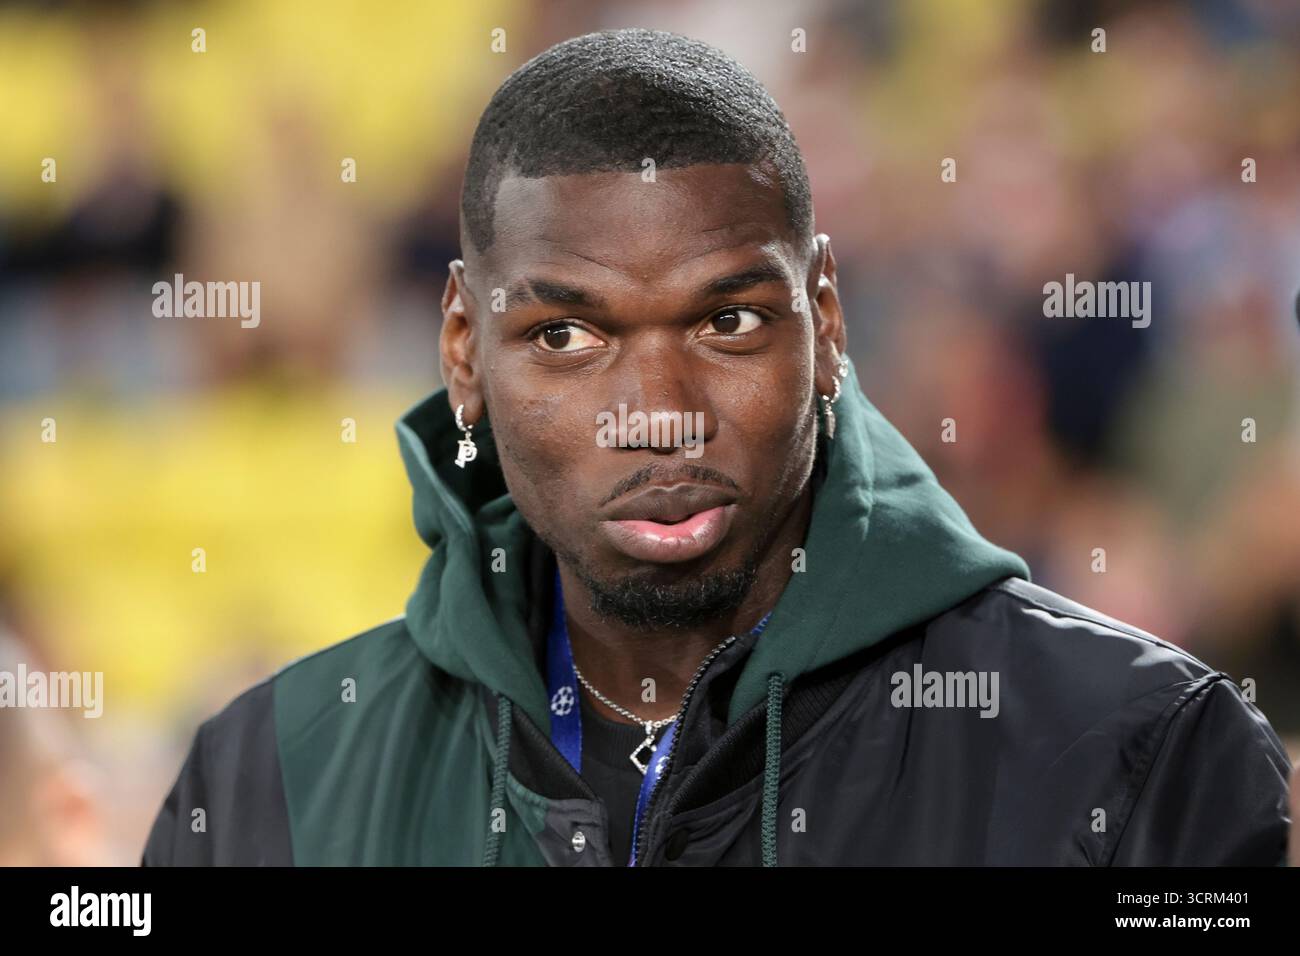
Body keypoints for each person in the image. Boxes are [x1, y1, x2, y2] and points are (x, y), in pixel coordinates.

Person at [143, 28, 1294, 866]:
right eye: (568, 333)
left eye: (727, 320)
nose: (658, 408)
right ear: (462, 348)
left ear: (827, 318)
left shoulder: (1139, 752)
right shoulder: (267, 781)